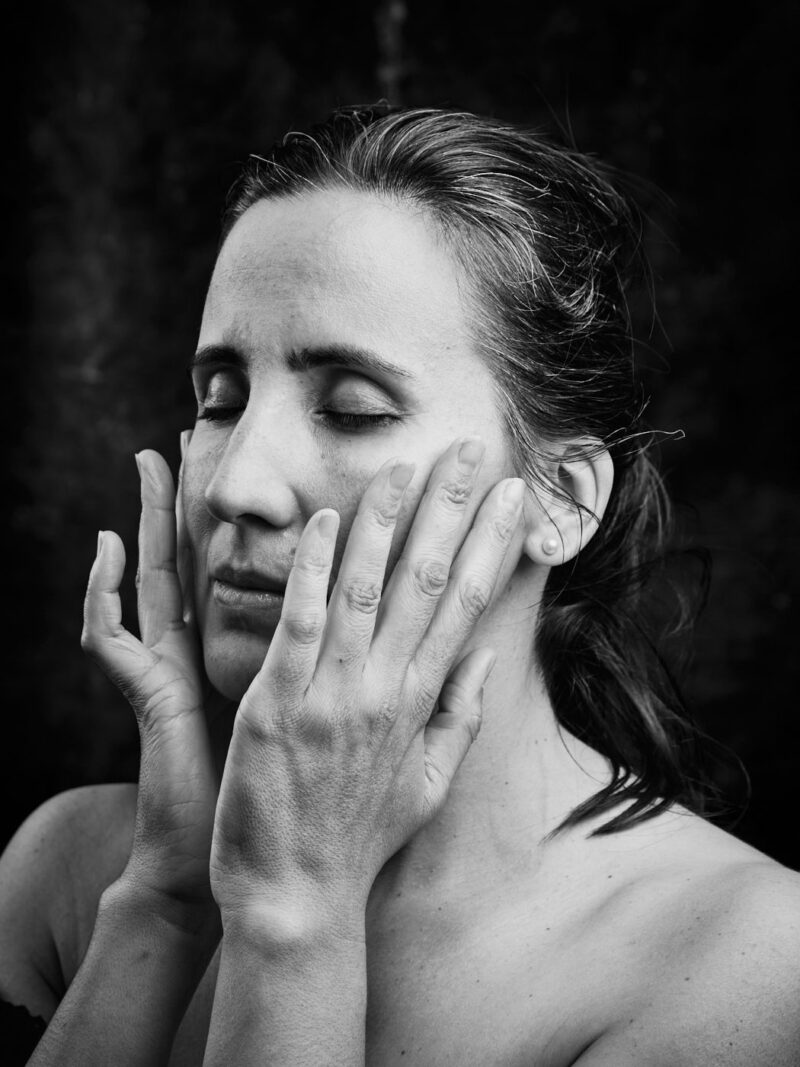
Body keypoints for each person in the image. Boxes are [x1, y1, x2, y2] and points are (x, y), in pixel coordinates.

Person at [1, 103, 798, 1066]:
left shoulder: (740, 963)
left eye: (352, 409)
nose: (235, 484)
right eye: (221, 400)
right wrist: (162, 907)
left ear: (562, 498)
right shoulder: (70, 873)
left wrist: (294, 911)